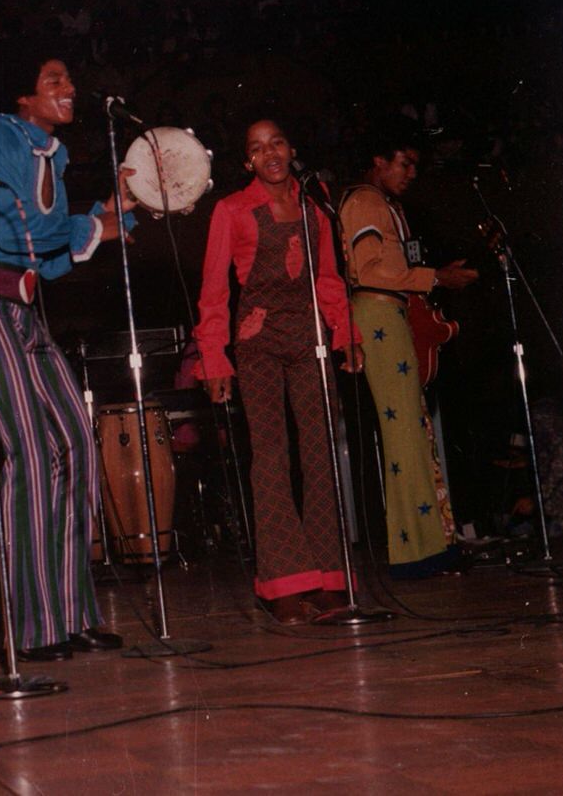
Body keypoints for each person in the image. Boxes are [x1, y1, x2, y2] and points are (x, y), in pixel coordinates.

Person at [0, 52, 130, 662]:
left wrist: (108, 216)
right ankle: (22, 627)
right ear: (24, 97)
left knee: (75, 439)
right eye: (54, 81)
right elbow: (9, 230)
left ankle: (69, 614)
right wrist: (96, 223)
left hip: (20, 308)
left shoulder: (58, 155)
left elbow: (45, 259)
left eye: (69, 80)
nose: (70, 89)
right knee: (33, 452)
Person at [193, 119, 364, 625]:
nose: (269, 154)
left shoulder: (316, 205)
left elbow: (330, 278)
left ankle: (330, 579)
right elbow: (213, 292)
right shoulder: (231, 210)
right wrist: (214, 358)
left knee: (320, 451)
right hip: (258, 337)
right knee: (270, 453)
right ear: (247, 161)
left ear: (291, 149)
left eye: (277, 144)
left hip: (309, 332)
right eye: (256, 149)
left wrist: (346, 333)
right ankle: (284, 584)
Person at [338, 119, 478, 578]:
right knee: (402, 433)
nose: (411, 172)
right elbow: (367, 271)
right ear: (379, 161)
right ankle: (415, 551)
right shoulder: (364, 202)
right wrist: (434, 277)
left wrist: (433, 274)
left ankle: (428, 544)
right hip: (377, 314)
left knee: (413, 430)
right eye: (405, 163)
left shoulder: (382, 203)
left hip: (391, 314)